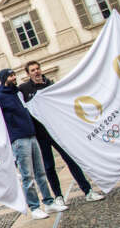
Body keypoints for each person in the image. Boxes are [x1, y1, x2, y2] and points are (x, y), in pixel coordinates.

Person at [18, 60, 104, 203]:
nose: (36, 72)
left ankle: (87, 190)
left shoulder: (50, 85)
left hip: (57, 131)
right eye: (32, 70)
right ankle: (58, 196)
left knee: (71, 160)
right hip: (41, 134)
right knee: (49, 166)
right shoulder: (24, 89)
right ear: (28, 73)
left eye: (38, 69)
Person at [0, 68, 68, 220]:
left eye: (14, 75)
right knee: (27, 176)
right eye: (11, 76)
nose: (14, 78)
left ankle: (49, 202)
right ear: (4, 79)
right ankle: (34, 207)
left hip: (32, 135)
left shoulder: (17, 93)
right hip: (19, 139)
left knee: (40, 172)